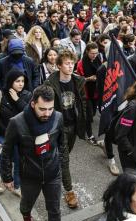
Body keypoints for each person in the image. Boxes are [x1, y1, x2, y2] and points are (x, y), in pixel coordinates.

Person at [0, 85, 65, 221]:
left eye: (50, 108)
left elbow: (62, 147)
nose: (47, 113)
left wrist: (65, 177)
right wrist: (7, 177)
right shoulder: (17, 122)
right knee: (26, 204)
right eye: (42, 109)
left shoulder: (58, 117)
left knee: (55, 210)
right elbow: (7, 152)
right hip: (29, 175)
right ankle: (26, 216)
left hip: (52, 174)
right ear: (33, 103)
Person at [44, 49, 87, 209]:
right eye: (67, 64)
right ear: (59, 66)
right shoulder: (50, 83)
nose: (70, 66)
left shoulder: (78, 81)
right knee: (64, 159)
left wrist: (84, 124)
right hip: (58, 128)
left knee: (64, 154)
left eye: (72, 63)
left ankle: (54, 168)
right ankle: (69, 191)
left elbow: (82, 103)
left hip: (73, 126)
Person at [0, 70, 32, 196]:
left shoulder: (27, 95)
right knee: (3, 158)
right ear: (10, 81)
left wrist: (17, 100)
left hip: (20, 136)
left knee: (18, 161)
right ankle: (4, 178)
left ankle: (17, 185)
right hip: (3, 134)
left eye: (23, 81)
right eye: (17, 81)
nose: (21, 84)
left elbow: (30, 115)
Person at [76, 43, 102, 145]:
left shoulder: (98, 60)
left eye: (96, 53)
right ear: (87, 52)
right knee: (88, 114)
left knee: (93, 114)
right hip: (86, 92)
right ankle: (90, 135)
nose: (94, 55)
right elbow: (78, 79)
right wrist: (89, 78)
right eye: (92, 53)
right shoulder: (81, 63)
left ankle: (83, 122)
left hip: (96, 91)